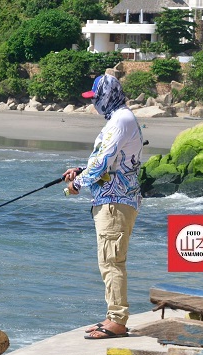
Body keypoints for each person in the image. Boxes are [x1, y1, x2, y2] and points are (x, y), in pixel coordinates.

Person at [63, 74, 143, 340]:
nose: (94, 103)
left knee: (112, 262)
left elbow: (103, 162)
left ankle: (118, 321)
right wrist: (81, 170)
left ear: (108, 96)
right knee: (108, 261)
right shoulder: (119, 119)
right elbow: (109, 160)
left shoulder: (121, 120)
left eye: (96, 98)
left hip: (115, 203)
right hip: (113, 201)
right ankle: (113, 316)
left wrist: (79, 183)